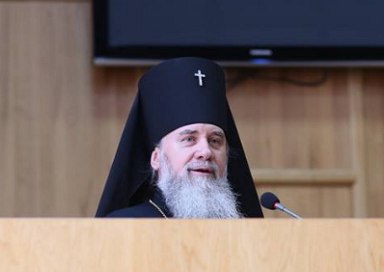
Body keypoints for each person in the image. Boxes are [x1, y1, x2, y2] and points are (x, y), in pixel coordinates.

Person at [95, 57, 263, 218]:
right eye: (189, 139)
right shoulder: (124, 226)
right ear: (156, 158)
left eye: (214, 141)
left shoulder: (244, 229)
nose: (205, 152)